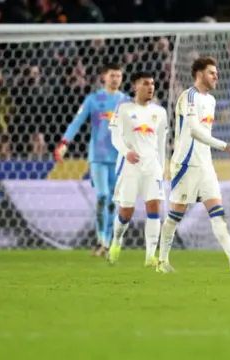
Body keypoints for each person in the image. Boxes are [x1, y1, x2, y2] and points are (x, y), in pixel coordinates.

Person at [157, 56, 230, 274]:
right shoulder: (189, 96)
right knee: (175, 215)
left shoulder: (211, 101)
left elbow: (203, 133)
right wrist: (224, 145)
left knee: (217, 212)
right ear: (199, 74)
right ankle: (162, 261)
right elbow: (194, 130)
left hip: (205, 165)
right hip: (186, 163)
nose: (216, 76)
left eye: (216, 72)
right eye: (212, 72)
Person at [55, 63, 129, 257]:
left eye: (119, 76)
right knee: (102, 196)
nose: (116, 79)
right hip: (97, 157)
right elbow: (76, 122)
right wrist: (64, 143)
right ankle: (101, 240)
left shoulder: (127, 102)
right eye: (112, 75)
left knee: (114, 200)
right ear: (104, 77)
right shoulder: (94, 100)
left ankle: (107, 241)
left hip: (119, 158)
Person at [106, 72, 168, 267]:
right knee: (126, 211)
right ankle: (116, 241)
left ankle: (150, 256)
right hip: (130, 167)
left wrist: (163, 167)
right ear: (135, 86)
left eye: (152, 83)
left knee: (154, 208)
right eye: (145, 84)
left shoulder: (160, 112)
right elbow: (115, 137)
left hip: (152, 167)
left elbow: (161, 143)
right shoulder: (123, 109)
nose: (150, 87)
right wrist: (126, 152)